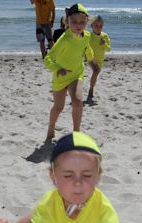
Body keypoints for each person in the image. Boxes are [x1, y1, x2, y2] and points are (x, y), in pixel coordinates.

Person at [43, 3, 96, 140]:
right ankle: (51, 128)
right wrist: (57, 68)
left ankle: (76, 133)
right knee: (58, 107)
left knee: (78, 102)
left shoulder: (87, 36)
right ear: (67, 22)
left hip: (76, 74)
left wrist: (91, 58)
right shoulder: (64, 40)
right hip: (61, 77)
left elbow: (86, 47)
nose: (78, 25)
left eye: (82, 22)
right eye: (74, 22)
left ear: (87, 22)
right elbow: (48, 58)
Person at [87, 15, 111, 104]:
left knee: (96, 73)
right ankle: (90, 90)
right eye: (96, 25)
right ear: (92, 26)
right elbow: (82, 44)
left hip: (100, 60)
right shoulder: (88, 35)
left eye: (100, 26)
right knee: (96, 71)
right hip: (90, 58)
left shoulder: (105, 36)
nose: (98, 28)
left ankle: (91, 88)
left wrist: (104, 44)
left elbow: (109, 49)